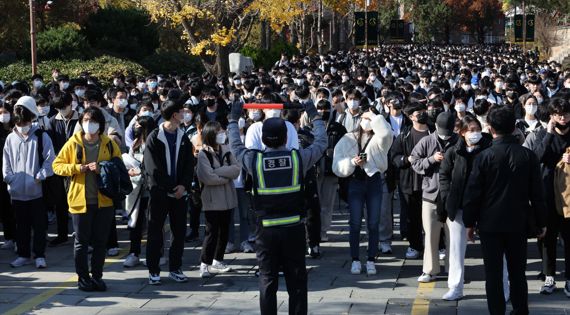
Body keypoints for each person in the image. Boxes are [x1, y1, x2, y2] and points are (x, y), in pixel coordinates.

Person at [227, 99, 327, 315]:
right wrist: (315, 115)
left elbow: (235, 145)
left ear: (263, 139)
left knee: (267, 280)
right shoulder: (298, 158)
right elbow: (321, 143)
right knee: (297, 282)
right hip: (294, 229)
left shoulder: (255, 161)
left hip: (265, 231)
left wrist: (233, 120)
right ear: (286, 136)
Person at [463, 107, 547, 315]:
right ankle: (520, 310)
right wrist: (541, 221)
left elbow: (473, 193)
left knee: (493, 273)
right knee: (518, 271)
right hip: (518, 221)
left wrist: (469, 222)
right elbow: (537, 193)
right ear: (513, 128)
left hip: (489, 222)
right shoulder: (528, 156)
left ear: (490, 129)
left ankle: (497, 311)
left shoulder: (484, 157)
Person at [52, 106, 122, 291]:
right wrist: (77, 168)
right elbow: (57, 166)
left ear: (100, 124)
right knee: (81, 243)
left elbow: (118, 167)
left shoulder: (108, 143)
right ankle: (82, 277)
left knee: (100, 242)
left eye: (93, 121)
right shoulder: (73, 143)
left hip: (104, 200)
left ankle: (97, 276)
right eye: (85, 120)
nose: (89, 124)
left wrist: (102, 168)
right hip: (79, 200)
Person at [333, 110, 393, 275]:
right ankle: (355, 260)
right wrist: (352, 162)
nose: (366, 122)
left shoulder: (380, 137)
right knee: (355, 223)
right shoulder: (348, 138)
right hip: (355, 182)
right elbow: (337, 163)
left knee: (373, 223)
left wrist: (375, 117)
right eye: (364, 118)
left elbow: (386, 133)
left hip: (374, 181)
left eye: (370, 119)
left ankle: (371, 259)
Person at [439, 115, 492, 300]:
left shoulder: (489, 149)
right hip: (459, 206)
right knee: (455, 249)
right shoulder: (454, 151)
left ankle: (502, 286)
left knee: (495, 251)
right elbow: (444, 175)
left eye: (477, 130)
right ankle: (455, 287)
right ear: (461, 133)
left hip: (486, 207)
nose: (475, 134)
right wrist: (447, 198)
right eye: (470, 130)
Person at [144, 100, 194, 285]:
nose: (184, 114)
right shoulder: (154, 137)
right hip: (159, 193)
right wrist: (170, 188)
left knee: (179, 232)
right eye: (182, 111)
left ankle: (175, 268)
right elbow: (152, 168)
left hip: (180, 194)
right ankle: (153, 270)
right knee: (155, 232)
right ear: (174, 115)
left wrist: (183, 186)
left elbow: (189, 164)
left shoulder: (183, 136)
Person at [524, 98, 570, 296]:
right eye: (558, 113)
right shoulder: (543, 134)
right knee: (548, 237)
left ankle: (569, 279)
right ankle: (549, 276)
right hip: (547, 193)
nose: (562, 117)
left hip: (568, 197)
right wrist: (549, 134)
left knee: (569, 238)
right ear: (551, 116)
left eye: (566, 113)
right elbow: (536, 158)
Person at [3, 96, 54, 268]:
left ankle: (39, 255)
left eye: (24, 122)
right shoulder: (10, 138)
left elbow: (50, 160)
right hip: (17, 192)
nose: (21, 126)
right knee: (21, 225)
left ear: (31, 118)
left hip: (37, 191)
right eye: (18, 123)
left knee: (39, 225)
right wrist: (10, 179)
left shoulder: (41, 136)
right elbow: (6, 163)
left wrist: (40, 176)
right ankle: (23, 254)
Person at [410, 111, 459, 283]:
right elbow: (414, 161)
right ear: (436, 127)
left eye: (449, 132)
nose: (446, 136)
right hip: (431, 195)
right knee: (430, 234)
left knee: (453, 235)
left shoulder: (459, 141)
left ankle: (454, 269)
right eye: (443, 132)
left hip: (453, 196)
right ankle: (430, 270)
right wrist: (431, 159)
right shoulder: (427, 141)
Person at [196, 121, 240, 277]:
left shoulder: (227, 150)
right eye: (219, 132)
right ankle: (204, 263)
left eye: (222, 131)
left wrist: (219, 172)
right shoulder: (204, 154)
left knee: (225, 231)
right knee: (211, 232)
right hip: (213, 200)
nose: (222, 134)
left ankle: (218, 260)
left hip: (228, 198)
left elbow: (236, 170)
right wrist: (225, 177)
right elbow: (208, 177)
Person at [391, 102, 433, 259]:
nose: (422, 114)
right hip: (410, 181)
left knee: (433, 217)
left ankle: (438, 245)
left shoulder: (433, 131)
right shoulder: (405, 134)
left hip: (430, 181)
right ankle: (414, 245)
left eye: (423, 111)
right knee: (412, 216)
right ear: (410, 117)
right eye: (418, 112)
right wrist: (406, 159)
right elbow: (394, 157)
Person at [123, 115, 157, 268]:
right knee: (135, 223)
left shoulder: (155, 143)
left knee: (154, 223)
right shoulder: (135, 144)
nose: (135, 127)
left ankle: (157, 252)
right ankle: (134, 253)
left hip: (151, 189)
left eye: (138, 125)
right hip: (136, 189)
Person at [47, 91, 79, 246]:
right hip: (60, 167)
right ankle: (62, 234)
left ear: (70, 104)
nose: (61, 110)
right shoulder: (53, 121)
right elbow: (50, 144)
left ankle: (80, 233)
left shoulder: (81, 119)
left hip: (78, 166)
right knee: (60, 202)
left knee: (78, 202)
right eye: (58, 108)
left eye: (63, 107)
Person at [0, 100, 16, 251]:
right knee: (4, 207)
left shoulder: (16, 129)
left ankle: (18, 238)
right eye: (0, 113)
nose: (3, 115)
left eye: (5, 112)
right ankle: (9, 237)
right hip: (2, 173)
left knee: (15, 207)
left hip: (16, 172)